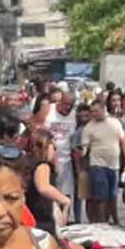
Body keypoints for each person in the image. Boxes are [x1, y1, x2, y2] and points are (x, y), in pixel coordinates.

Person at [81, 99, 125, 223]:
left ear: (103, 110)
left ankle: (114, 220)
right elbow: (84, 148)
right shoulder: (88, 127)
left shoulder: (115, 123)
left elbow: (124, 142)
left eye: (96, 111)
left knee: (112, 196)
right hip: (97, 164)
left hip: (114, 165)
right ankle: (102, 222)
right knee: (101, 197)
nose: (94, 114)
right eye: (92, 112)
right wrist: (81, 158)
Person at [26, 129, 72, 236]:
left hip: (31, 213)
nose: (55, 151)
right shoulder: (42, 165)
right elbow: (43, 187)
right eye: (54, 148)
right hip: (41, 218)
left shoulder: (27, 162)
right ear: (45, 146)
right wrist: (64, 200)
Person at [43, 92, 77, 223]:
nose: (68, 107)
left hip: (66, 160)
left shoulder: (74, 115)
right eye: (65, 103)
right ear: (60, 101)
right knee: (50, 192)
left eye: (71, 105)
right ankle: (50, 219)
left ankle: (64, 220)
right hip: (48, 159)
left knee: (66, 194)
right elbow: (35, 124)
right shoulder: (49, 109)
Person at [69, 103, 92, 223]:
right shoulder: (79, 132)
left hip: (92, 165)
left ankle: (89, 219)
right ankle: (78, 219)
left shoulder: (92, 129)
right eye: (81, 116)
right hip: (81, 167)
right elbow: (75, 153)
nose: (84, 119)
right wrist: (78, 170)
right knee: (79, 195)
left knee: (89, 196)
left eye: (86, 116)